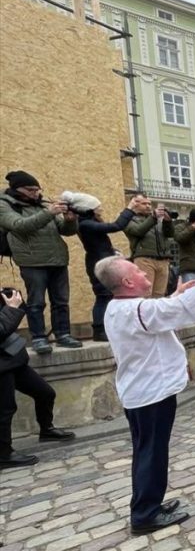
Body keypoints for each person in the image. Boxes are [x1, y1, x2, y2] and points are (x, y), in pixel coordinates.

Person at [95, 253, 195, 534]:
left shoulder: (119, 307)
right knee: (151, 454)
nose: (145, 275)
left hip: (141, 392)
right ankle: (144, 515)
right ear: (128, 281)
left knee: (148, 452)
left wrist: (175, 296)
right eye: (139, 272)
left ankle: (148, 504)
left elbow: (165, 312)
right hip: (150, 394)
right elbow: (182, 310)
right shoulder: (138, 310)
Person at [0, 171, 82, 354]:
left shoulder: (42, 205)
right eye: (30, 190)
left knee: (61, 301)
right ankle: (38, 338)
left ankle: (63, 334)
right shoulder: (5, 205)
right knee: (36, 302)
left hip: (58, 259)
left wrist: (70, 221)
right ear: (16, 189)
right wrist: (49, 212)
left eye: (37, 189)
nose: (35, 193)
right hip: (31, 260)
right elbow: (19, 225)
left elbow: (64, 230)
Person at [0, 287, 75, 469]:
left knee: (45, 393)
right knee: (5, 410)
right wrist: (11, 309)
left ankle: (46, 430)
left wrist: (12, 299)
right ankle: (3, 455)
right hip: (2, 367)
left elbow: (18, 312)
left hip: (13, 359)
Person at [75, 194, 139, 342]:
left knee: (108, 295)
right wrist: (129, 209)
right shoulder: (85, 224)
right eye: (98, 207)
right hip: (98, 262)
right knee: (103, 295)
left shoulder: (88, 222)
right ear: (89, 209)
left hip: (102, 258)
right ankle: (99, 329)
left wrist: (113, 251)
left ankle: (108, 328)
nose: (101, 209)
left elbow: (99, 244)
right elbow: (115, 226)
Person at [124, 195, 176, 299]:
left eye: (149, 204)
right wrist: (153, 217)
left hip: (163, 260)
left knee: (159, 295)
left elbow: (170, 234)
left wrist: (167, 221)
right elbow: (138, 231)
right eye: (144, 204)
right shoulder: (128, 219)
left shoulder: (156, 219)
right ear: (135, 204)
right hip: (144, 259)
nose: (148, 206)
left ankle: (157, 315)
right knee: (145, 293)